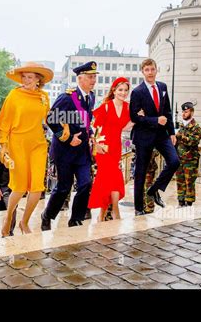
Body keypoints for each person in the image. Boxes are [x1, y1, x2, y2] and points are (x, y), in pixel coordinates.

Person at [41, 61, 98, 230]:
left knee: (85, 184)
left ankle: (75, 218)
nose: (93, 80)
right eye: (90, 77)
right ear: (80, 79)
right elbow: (51, 119)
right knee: (63, 187)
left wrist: (92, 133)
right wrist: (68, 138)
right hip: (64, 151)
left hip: (82, 152)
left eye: (94, 77)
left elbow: (86, 121)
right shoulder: (67, 97)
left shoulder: (91, 96)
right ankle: (47, 215)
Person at [0, 62, 53, 237]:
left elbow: (50, 118)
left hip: (38, 144)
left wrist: (65, 127)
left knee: (37, 187)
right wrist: (3, 146)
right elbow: (4, 122)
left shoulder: (44, 97)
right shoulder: (14, 95)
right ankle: (8, 219)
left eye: (30, 77)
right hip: (17, 144)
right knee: (20, 187)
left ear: (38, 79)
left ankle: (24, 222)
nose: (26, 80)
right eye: (24, 77)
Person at [130, 58, 180, 215]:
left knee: (174, 161)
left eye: (152, 69)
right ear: (143, 72)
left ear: (156, 70)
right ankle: (139, 208)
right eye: (147, 70)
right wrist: (154, 120)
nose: (150, 72)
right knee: (141, 172)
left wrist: (171, 132)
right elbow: (134, 117)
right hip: (144, 136)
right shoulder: (137, 92)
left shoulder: (162, 87)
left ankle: (153, 190)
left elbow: (168, 111)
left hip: (162, 134)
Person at [88, 77, 133, 221]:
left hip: (116, 147)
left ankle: (103, 214)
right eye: (120, 90)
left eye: (126, 90)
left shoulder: (128, 107)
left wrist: (135, 120)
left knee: (110, 180)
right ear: (114, 90)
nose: (123, 93)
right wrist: (96, 145)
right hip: (103, 147)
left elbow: (123, 127)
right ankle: (115, 210)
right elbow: (94, 128)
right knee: (110, 177)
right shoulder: (106, 106)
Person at [175, 102, 201, 207]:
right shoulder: (181, 125)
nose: (183, 114)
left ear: (191, 112)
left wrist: (180, 136)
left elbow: (193, 141)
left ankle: (189, 202)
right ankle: (180, 200)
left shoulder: (196, 127)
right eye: (183, 112)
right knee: (180, 180)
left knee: (189, 181)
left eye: (186, 112)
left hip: (190, 159)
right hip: (179, 158)